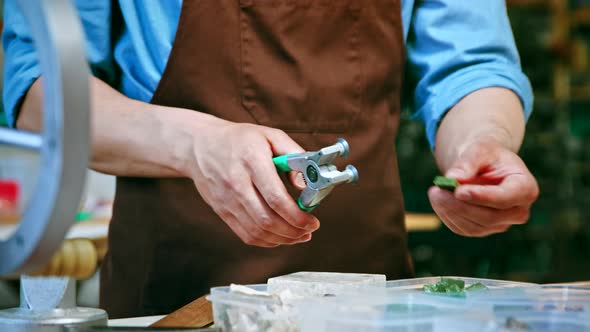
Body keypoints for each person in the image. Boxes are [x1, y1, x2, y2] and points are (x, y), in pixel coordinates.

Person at [3, 0, 539, 318]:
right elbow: (35, 83)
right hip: (173, 302)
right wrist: (193, 144)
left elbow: (472, 63)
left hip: (371, 305)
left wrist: (481, 145)